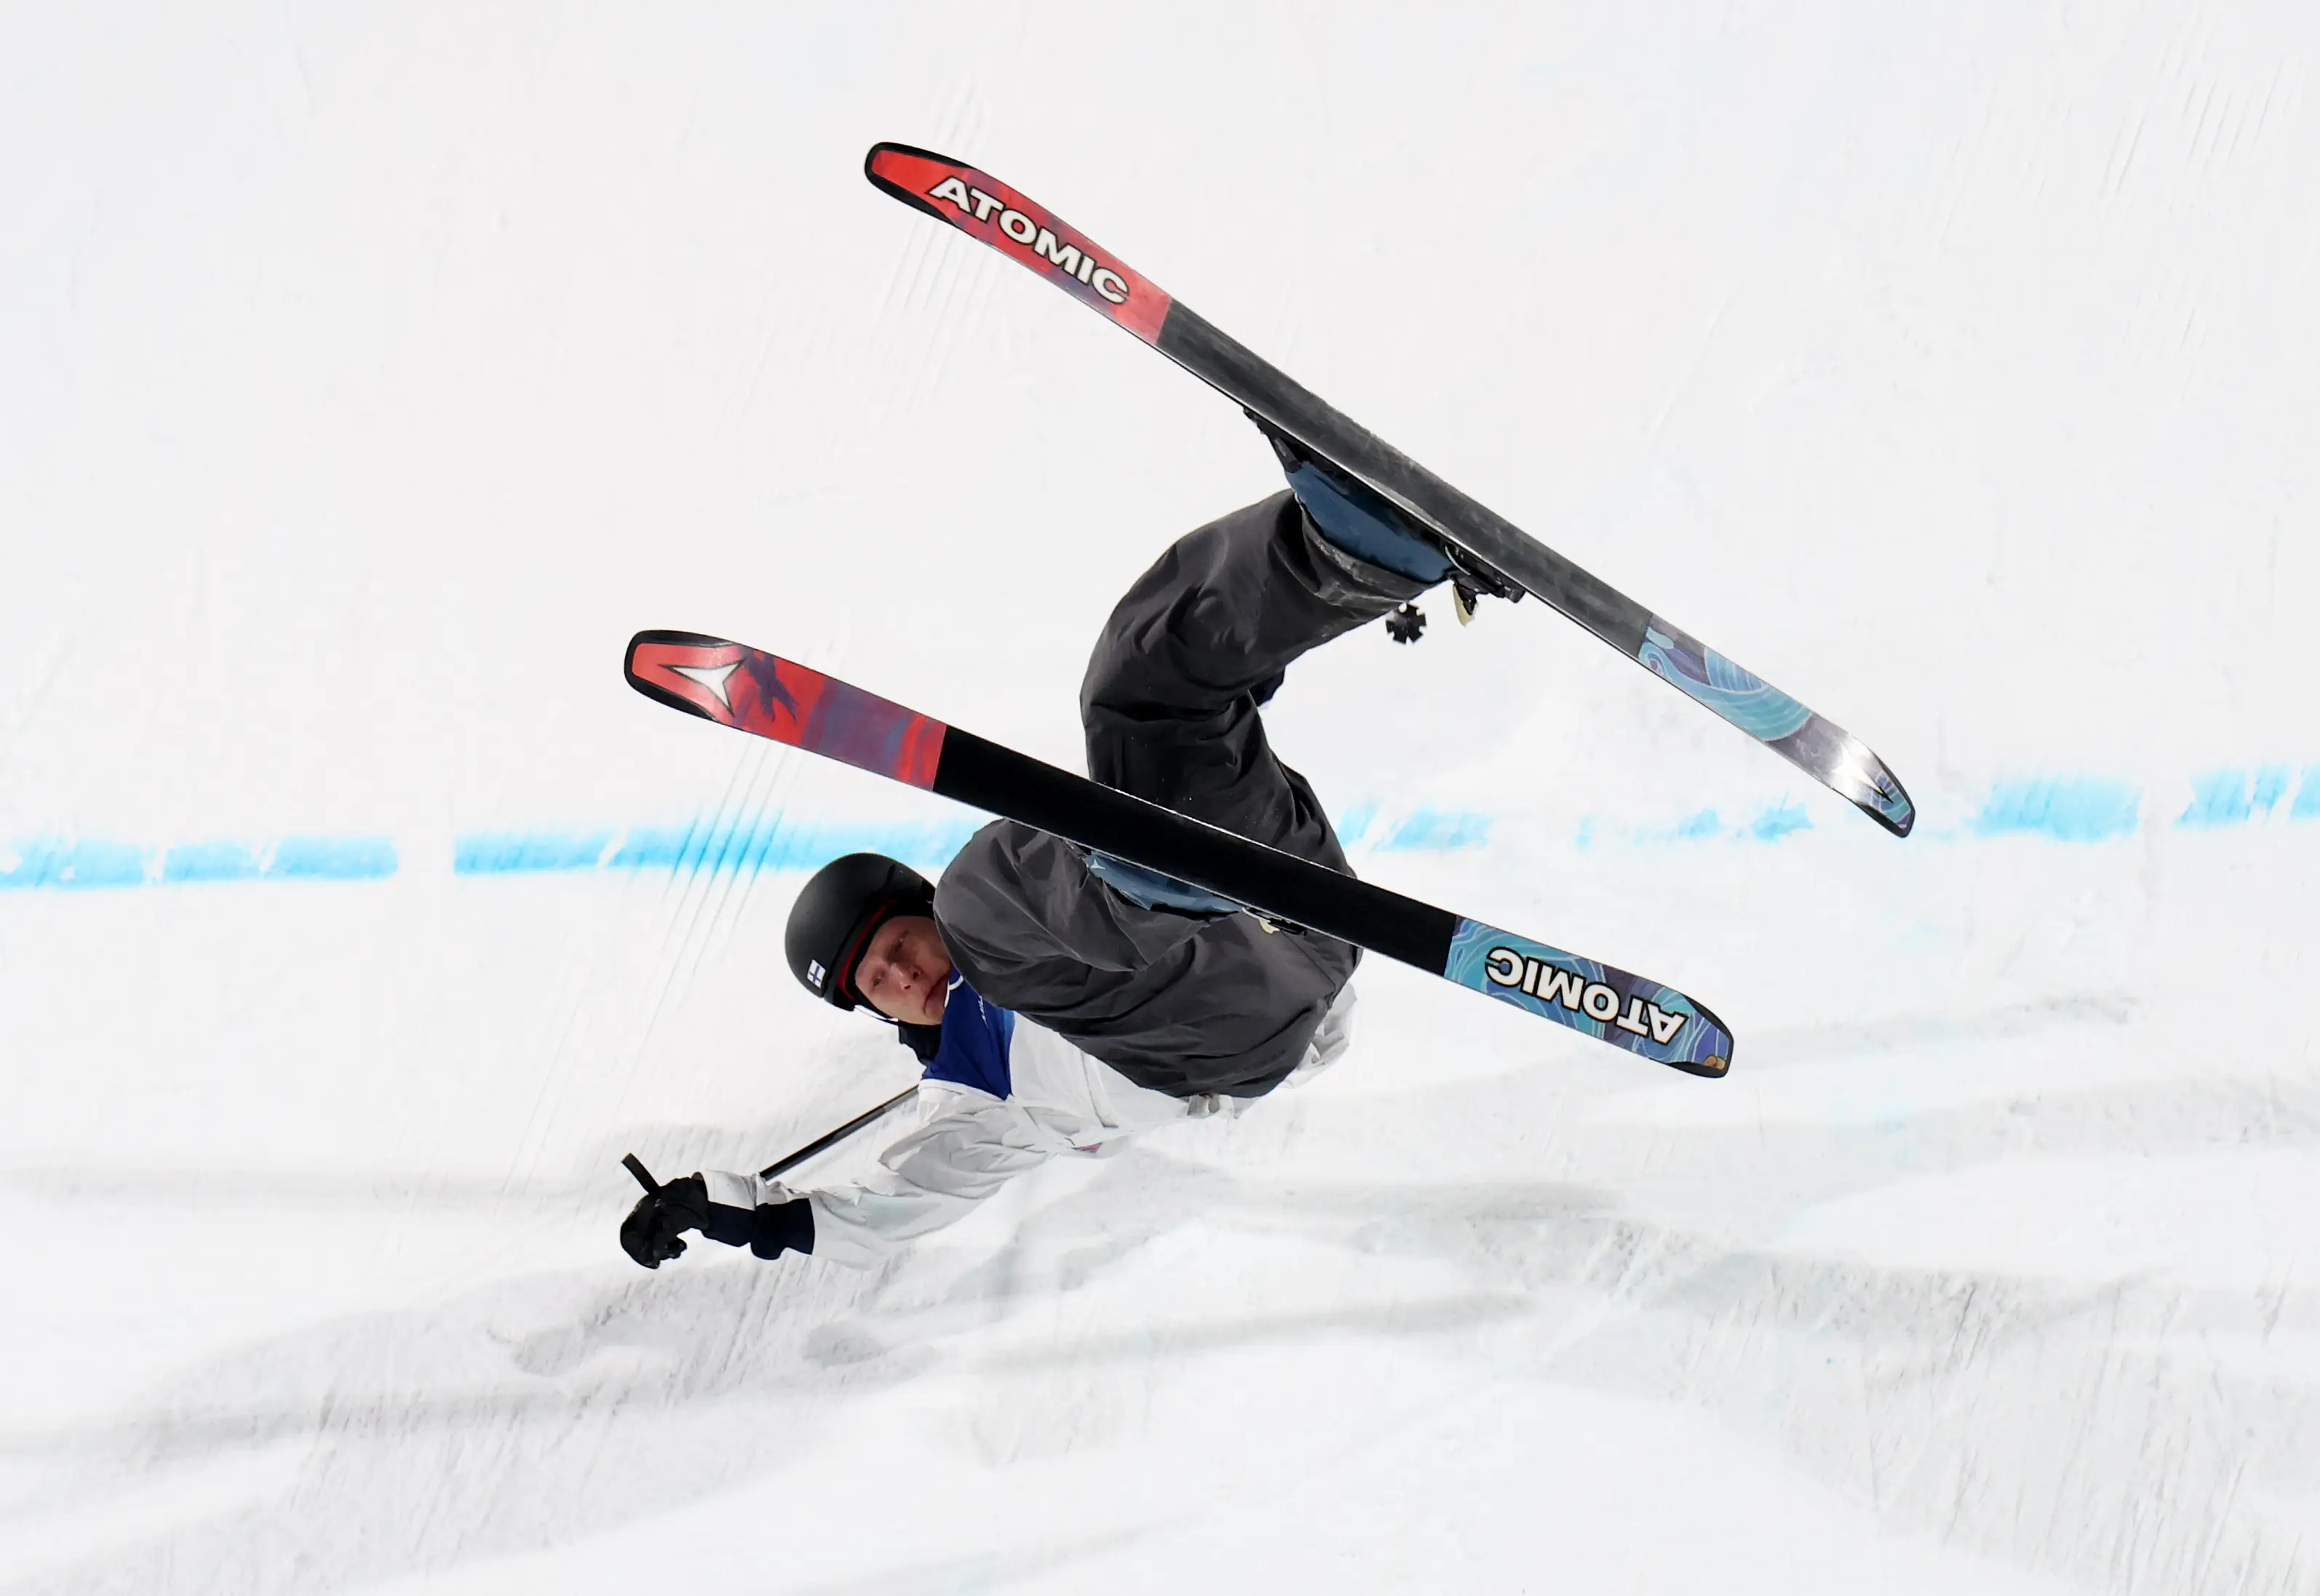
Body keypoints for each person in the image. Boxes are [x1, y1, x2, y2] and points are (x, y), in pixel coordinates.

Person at [620, 427, 1465, 1271]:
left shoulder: (996, 909)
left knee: (1134, 684)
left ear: (909, 913)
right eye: (878, 985)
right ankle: (1145, 886)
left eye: (896, 948)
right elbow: (876, 1215)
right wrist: (739, 1211)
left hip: (1290, 904)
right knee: (983, 901)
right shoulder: (972, 1094)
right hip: (1226, 1029)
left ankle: (1352, 554)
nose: (905, 976)